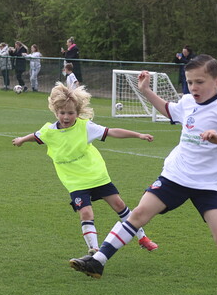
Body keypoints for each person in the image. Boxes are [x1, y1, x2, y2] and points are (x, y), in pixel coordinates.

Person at [69, 55, 217, 295]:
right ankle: (98, 261)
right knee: (140, 213)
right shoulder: (190, 102)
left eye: (200, 82)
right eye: (190, 82)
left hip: (207, 185)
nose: (194, 87)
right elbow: (170, 110)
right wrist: (146, 91)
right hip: (176, 175)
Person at [12, 82, 157, 257]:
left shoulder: (85, 127)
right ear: (56, 112)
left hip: (96, 175)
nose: (66, 117)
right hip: (74, 181)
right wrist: (21, 139)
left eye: (71, 113)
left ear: (78, 113)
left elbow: (112, 132)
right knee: (86, 212)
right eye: (62, 113)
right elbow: (36, 136)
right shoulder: (49, 131)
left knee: (119, 205)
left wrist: (139, 135)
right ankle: (94, 250)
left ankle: (142, 237)